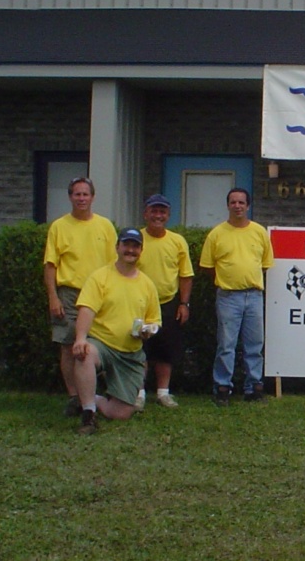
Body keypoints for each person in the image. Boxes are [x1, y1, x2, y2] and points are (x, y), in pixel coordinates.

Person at [72, 228, 162, 435]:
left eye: (135, 246)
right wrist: (80, 338)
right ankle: (88, 415)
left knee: (121, 413)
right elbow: (87, 309)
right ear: (117, 247)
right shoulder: (100, 277)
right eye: (126, 245)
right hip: (102, 344)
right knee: (84, 353)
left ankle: (90, 398)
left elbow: (154, 321)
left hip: (130, 353)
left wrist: (149, 331)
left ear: (141, 250)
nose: (130, 250)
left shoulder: (147, 284)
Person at [43, 177, 118, 418]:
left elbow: (114, 264)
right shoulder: (59, 227)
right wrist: (53, 297)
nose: (82, 198)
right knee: (68, 346)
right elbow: (51, 266)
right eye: (77, 194)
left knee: (101, 344)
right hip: (69, 294)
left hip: (99, 293)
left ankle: (99, 394)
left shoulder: (105, 226)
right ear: (70, 197)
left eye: (86, 194)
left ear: (93, 197)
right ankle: (74, 397)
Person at [200, 188, 275, 406]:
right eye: (233, 202)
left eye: (241, 202)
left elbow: (265, 264)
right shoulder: (216, 234)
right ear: (228, 205)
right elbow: (208, 266)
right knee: (226, 345)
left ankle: (254, 387)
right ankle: (222, 387)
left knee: (255, 344)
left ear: (248, 206)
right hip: (228, 296)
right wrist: (228, 281)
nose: (237, 206)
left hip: (253, 296)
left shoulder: (259, 232)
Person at [136, 194, 194, 410]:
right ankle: (138, 394)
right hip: (138, 304)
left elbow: (186, 275)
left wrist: (184, 304)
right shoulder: (136, 239)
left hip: (168, 303)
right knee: (139, 349)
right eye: (154, 211)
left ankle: (163, 393)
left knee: (165, 350)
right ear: (145, 214)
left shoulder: (177, 241)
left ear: (168, 215)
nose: (158, 215)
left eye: (162, 212)